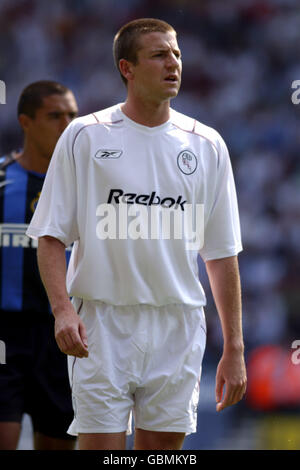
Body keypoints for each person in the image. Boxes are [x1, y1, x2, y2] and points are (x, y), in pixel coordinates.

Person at [26, 19, 247, 450]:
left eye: (177, 54)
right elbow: (50, 235)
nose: (174, 64)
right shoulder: (84, 136)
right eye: (160, 55)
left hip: (178, 325)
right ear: (127, 68)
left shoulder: (207, 144)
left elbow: (220, 255)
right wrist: (62, 311)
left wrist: (234, 346)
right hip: (103, 326)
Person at [0, 80, 78, 450]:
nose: (67, 125)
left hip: (63, 338)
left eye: (72, 115)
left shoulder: (88, 191)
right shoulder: (2, 182)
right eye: (54, 116)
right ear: (26, 122)